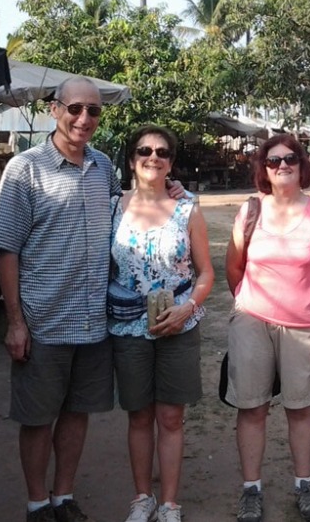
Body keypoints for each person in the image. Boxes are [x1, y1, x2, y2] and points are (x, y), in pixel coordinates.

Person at [0, 77, 118, 522]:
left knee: (78, 412)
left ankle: (63, 496)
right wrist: (15, 322)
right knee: (38, 417)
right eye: (75, 108)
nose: (84, 118)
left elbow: (125, 214)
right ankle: (37, 502)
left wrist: (171, 192)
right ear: (55, 109)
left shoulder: (104, 167)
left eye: (93, 111)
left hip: (94, 322)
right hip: (44, 321)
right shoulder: (25, 169)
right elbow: (6, 248)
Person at [223, 133, 310, 522]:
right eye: (274, 160)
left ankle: (304, 484)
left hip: (304, 326)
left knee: (299, 407)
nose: (282, 165)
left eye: (290, 159)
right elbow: (234, 267)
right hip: (252, 321)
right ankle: (251, 489)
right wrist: (248, 304)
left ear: (302, 165)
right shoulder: (250, 212)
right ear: (264, 169)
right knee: (252, 408)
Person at [109, 125, 214, 522]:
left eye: (162, 152)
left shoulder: (188, 209)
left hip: (179, 325)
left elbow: (206, 273)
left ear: (171, 163)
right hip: (127, 326)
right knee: (138, 415)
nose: (153, 157)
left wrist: (189, 308)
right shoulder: (114, 207)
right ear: (131, 159)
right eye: (144, 150)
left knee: (170, 417)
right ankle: (142, 498)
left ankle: (169, 503)